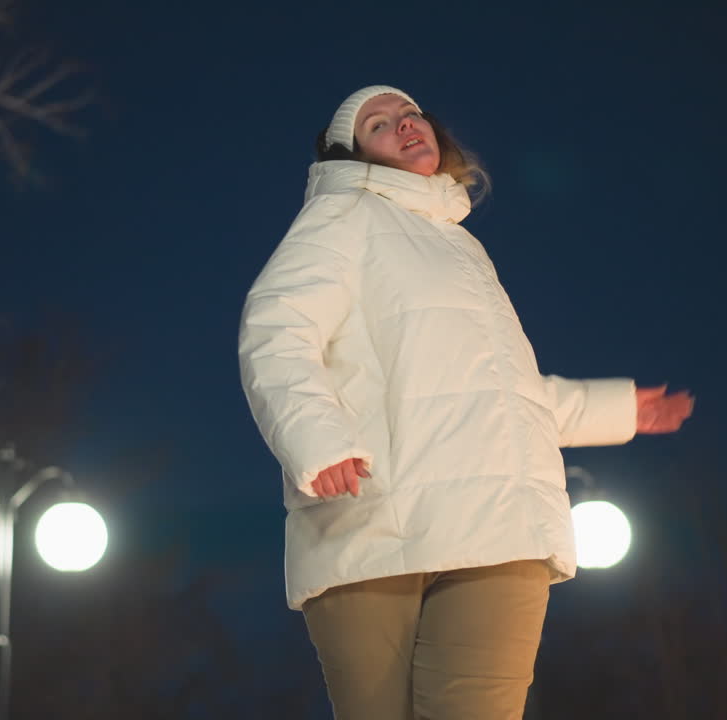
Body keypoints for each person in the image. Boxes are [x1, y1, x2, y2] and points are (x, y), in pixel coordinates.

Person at [237, 85, 694, 720]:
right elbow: (276, 330)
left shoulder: (461, 245)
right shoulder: (343, 217)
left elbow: (501, 394)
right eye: (379, 124)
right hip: (373, 521)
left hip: (498, 523)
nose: (405, 125)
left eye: (410, 114)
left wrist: (615, 409)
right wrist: (317, 440)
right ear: (352, 155)